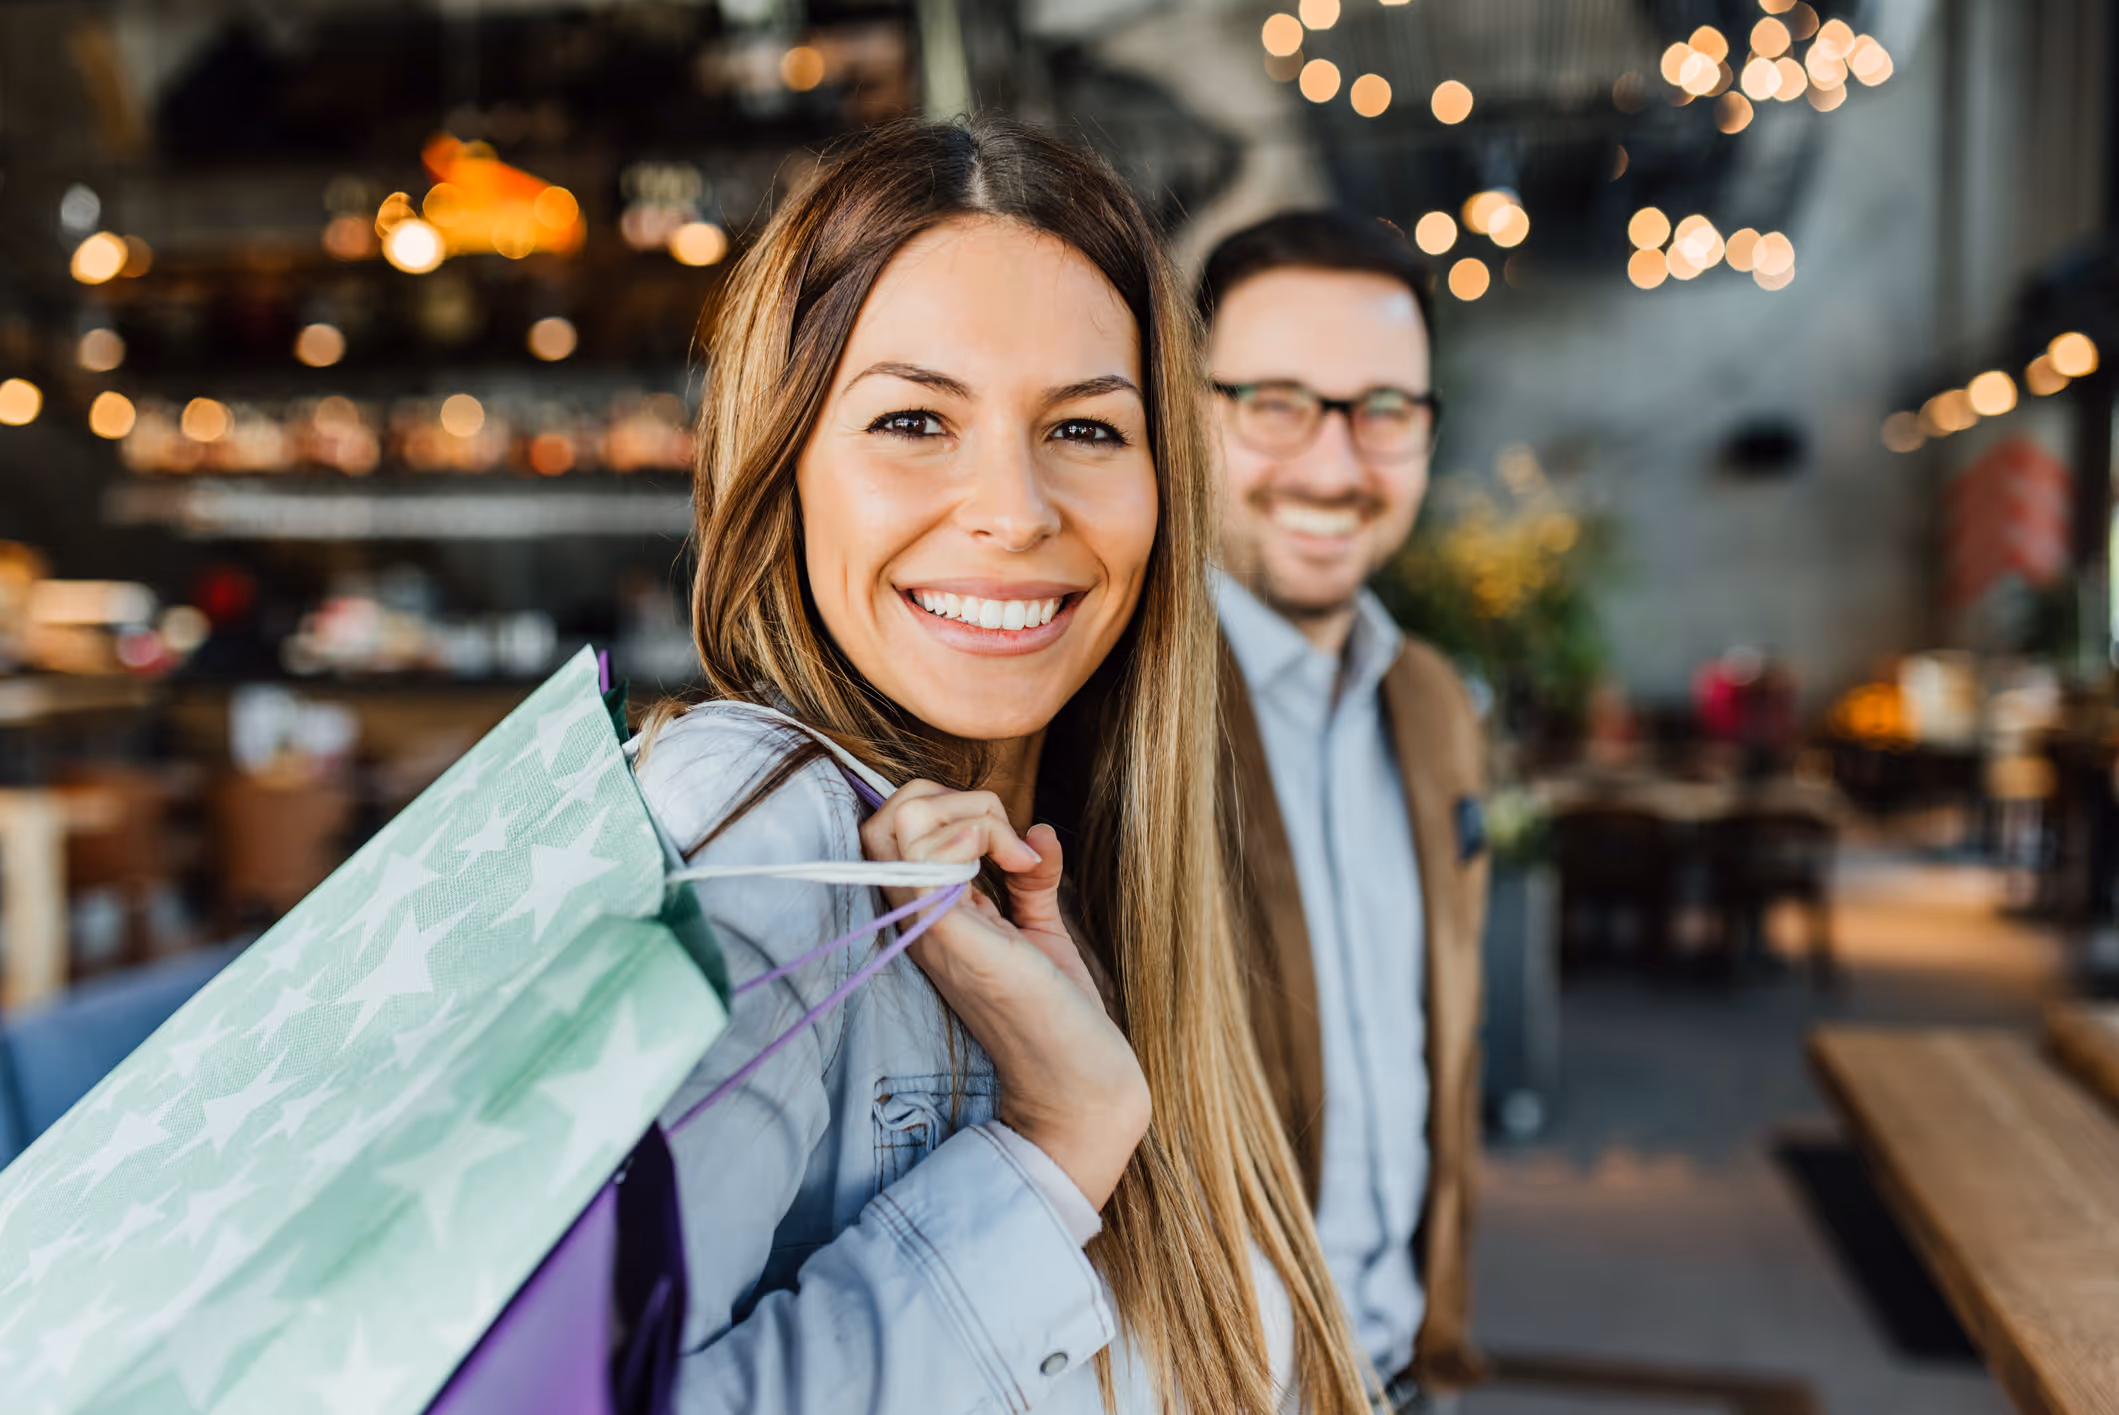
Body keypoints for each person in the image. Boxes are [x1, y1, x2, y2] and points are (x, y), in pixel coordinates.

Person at [634, 119, 1375, 1415]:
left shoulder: (1111, 871)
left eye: (1085, 431)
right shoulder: (750, 831)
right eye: (913, 418)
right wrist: (1049, 1145)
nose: (1014, 510)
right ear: (785, 464)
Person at [1197, 212, 1490, 1414]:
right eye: (1274, 401)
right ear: (1190, 410)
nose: (1333, 467)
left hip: (1408, 1373)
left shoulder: (1429, 702)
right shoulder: (1108, 711)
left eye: (1383, 411)